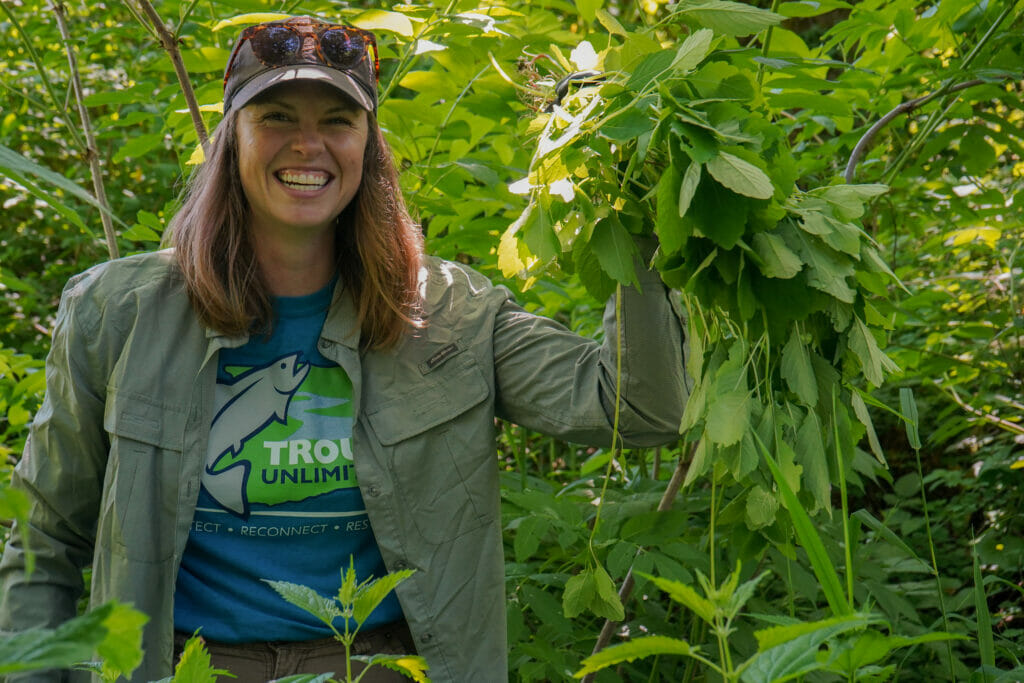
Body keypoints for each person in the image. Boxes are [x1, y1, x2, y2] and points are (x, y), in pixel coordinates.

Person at [0, 15, 687, 683]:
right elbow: (44, 542)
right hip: (188, 665)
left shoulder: (452, 314)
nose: (309, 145)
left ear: (369, 146)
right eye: (276, 118)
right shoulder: (116, 313)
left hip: (384, 664)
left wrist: (637, 213)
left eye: (337, 121)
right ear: (229, 140)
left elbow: (639, 408)